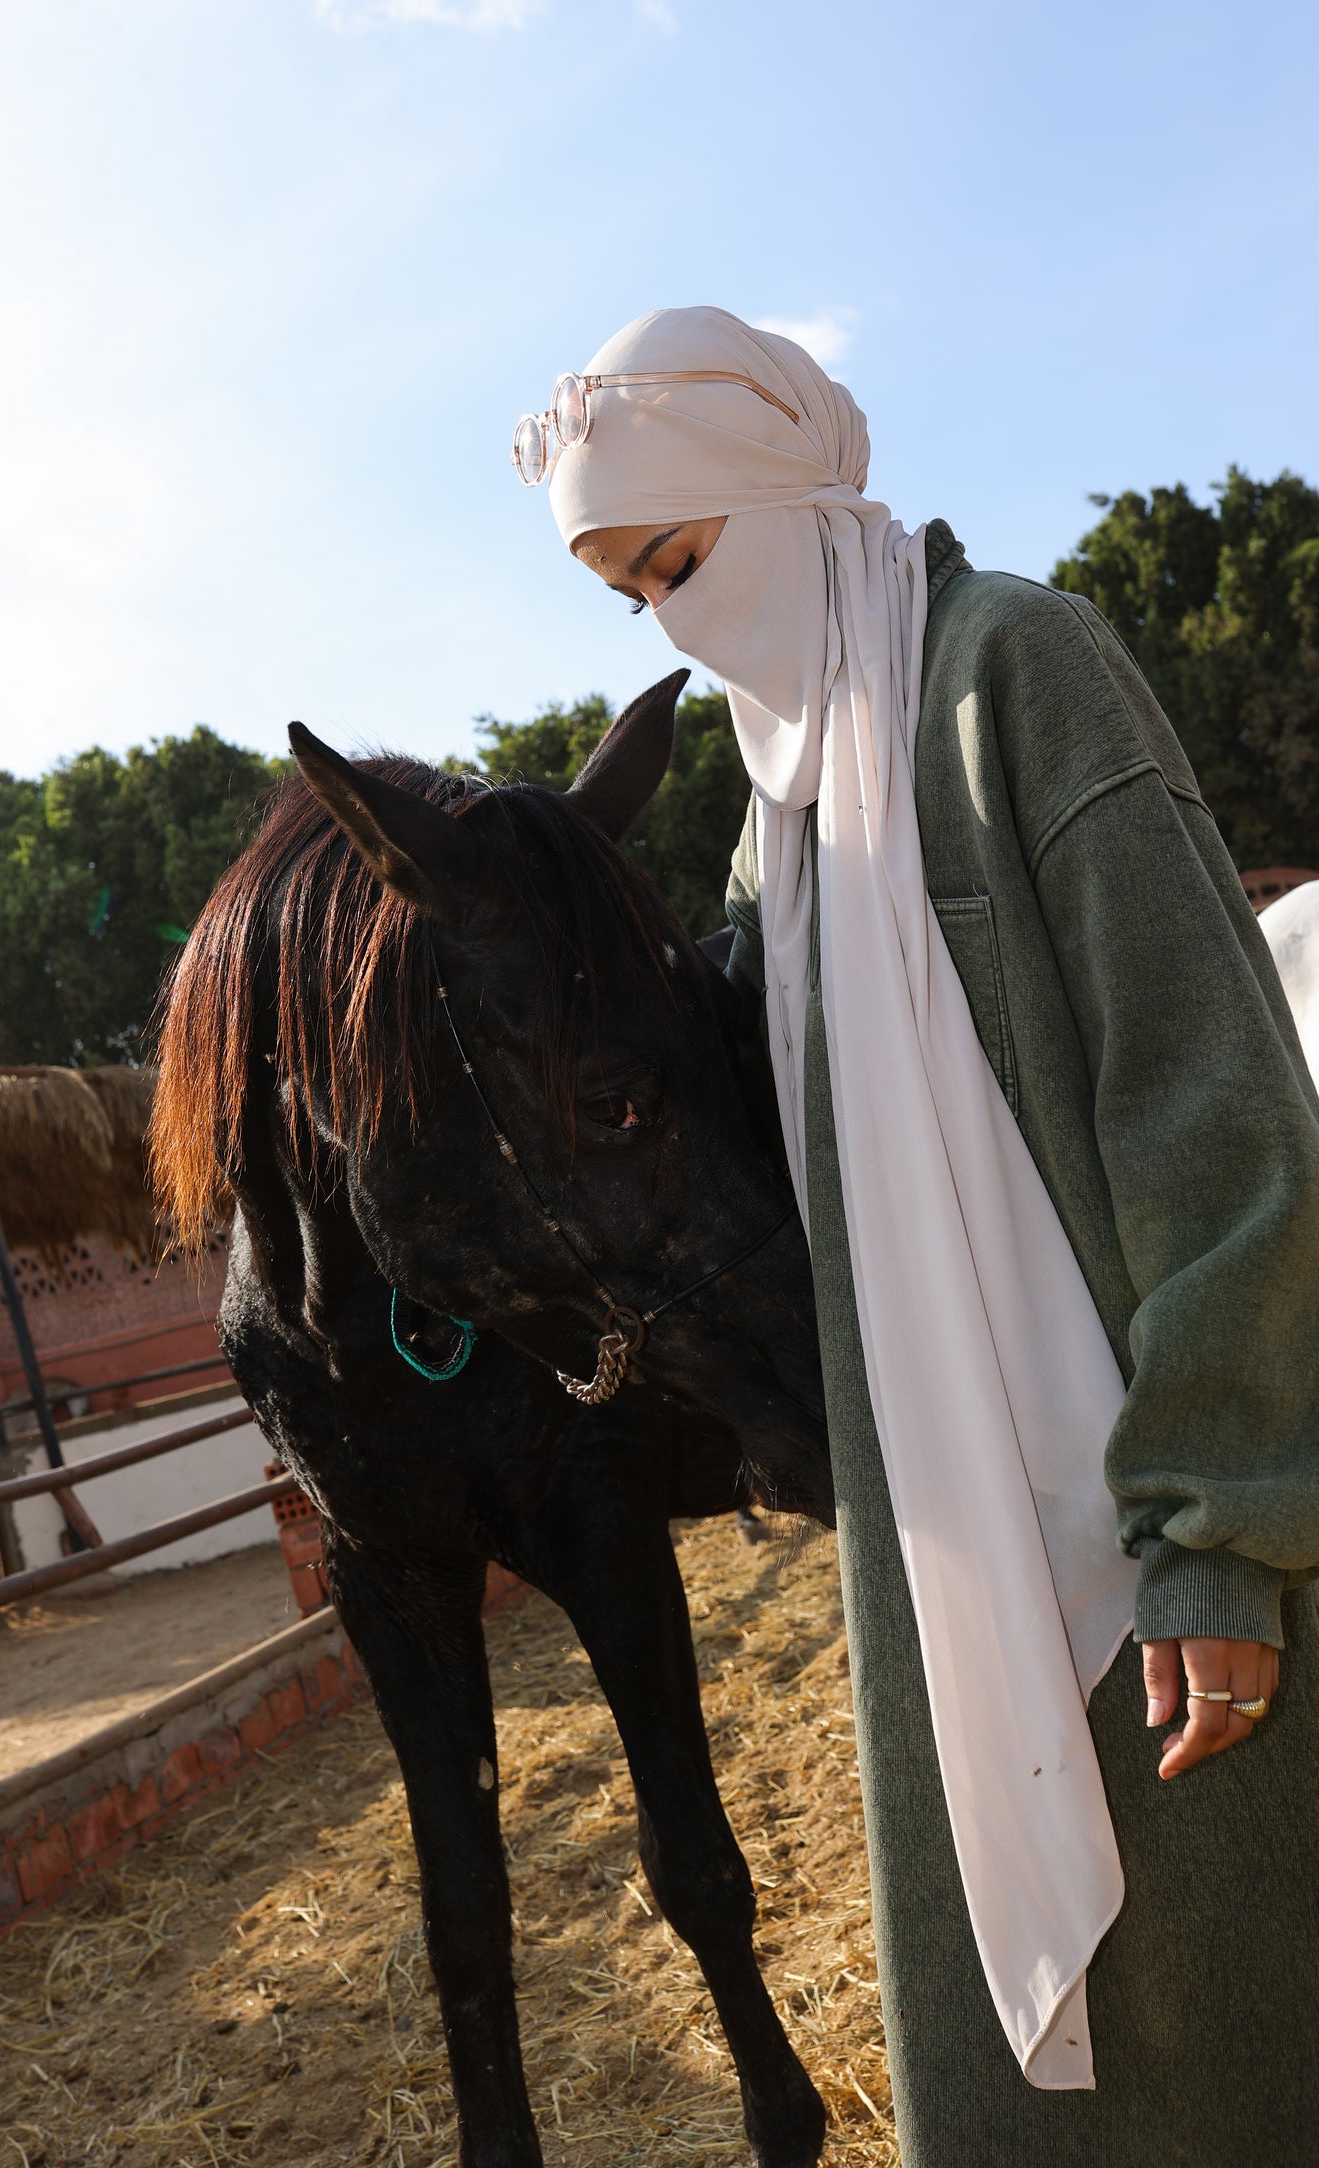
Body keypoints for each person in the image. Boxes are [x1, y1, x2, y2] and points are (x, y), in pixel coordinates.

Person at [513, 305, 1319, 2164]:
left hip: (1150, 1529)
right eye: (632, 596)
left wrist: (1214, 1539)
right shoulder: (769, 824)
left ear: (784, 492)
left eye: (684, 557)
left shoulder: (1013, 673)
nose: (676, 623)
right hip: (944, 1569)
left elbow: (1208, 1113)